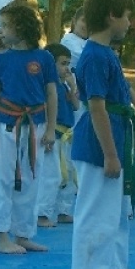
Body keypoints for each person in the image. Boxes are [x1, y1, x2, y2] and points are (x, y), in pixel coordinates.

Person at [69, 0, 135, 269]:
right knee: (94, 210)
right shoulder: (93, 56)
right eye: (127, 17)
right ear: (111, 16)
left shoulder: (107, 54)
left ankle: (113, 268)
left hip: (114, 138)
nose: (130, 24)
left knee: (117, 210)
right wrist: (110, 155)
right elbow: (96, 106)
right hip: (97, 145)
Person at [0, 1, 58, 254]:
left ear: (21, 27)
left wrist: (50, 129)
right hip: (6, 124)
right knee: (1, 179)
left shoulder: (44, 58)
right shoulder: (1, 61)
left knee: (31, 178)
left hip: (35, 123)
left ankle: (24, 233)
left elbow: (51, 94)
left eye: (5, 25)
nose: (0, 31)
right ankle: (1, 236)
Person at [36, 42, 79, 227]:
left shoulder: (65, 86)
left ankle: (64, 210)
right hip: (53, 135)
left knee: (68, 174)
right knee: (51, 175)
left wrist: (73, 87)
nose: (66, 68)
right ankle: (42, 213)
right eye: (62, 63)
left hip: (67, 136)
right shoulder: (48, 87)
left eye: (68, 63)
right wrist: (49, 132)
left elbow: (76, 106)